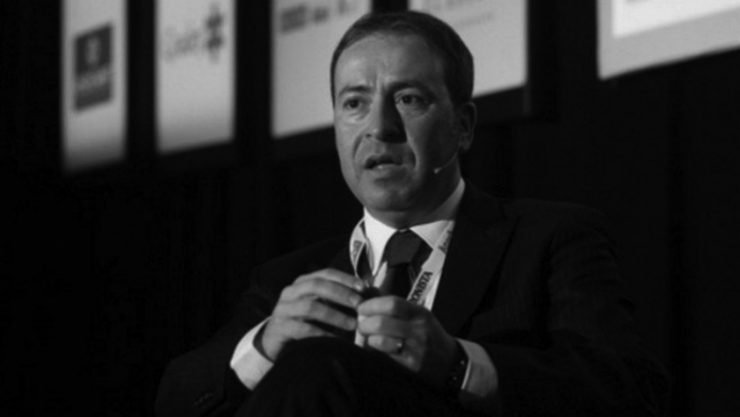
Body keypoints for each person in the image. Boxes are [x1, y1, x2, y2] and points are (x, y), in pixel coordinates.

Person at [156, 11, 668, 417]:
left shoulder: (549, 239)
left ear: (463, 126)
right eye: (354, 103)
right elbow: (175, 400)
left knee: (320, 367)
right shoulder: (286, 280)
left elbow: (629, 392)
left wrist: (458, 365)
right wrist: (265, 346)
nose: (379, 126)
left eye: (408, 99)